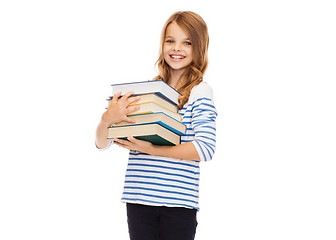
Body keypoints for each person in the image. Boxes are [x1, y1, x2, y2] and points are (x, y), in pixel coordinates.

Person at [95, 11, 217, 240]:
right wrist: (107, 120)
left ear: (199, 48)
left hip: (178, 203)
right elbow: (102, 143)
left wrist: (150, 149)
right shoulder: (147, 90)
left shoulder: (200, 91)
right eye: (170, 40)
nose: (176, 48)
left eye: (187, 42)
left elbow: (205, 149)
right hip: (138, 198)